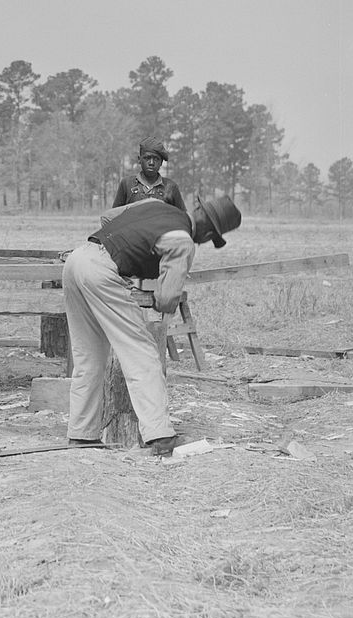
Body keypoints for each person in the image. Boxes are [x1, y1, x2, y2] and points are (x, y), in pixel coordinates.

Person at [62, 194, 242, 456]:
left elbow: (108, 217)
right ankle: (160, 435)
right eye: (209, 238)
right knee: (142, 353)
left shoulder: (155, 205)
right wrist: (153, 296)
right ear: (208, 230)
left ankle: (81, 433)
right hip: (101, 272)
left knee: (88, 355)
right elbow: (168, 300)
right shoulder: (183, 241)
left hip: (77, 259)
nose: (204, 242)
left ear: (197, 208)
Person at [113, 136, 186, 210]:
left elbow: (182, 217)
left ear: (161, 162)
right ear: (139, 159)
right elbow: (114, 216)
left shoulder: (170, 187)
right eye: (147, 158)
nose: (151, 163)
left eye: (156, 159)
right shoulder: (127, 184)